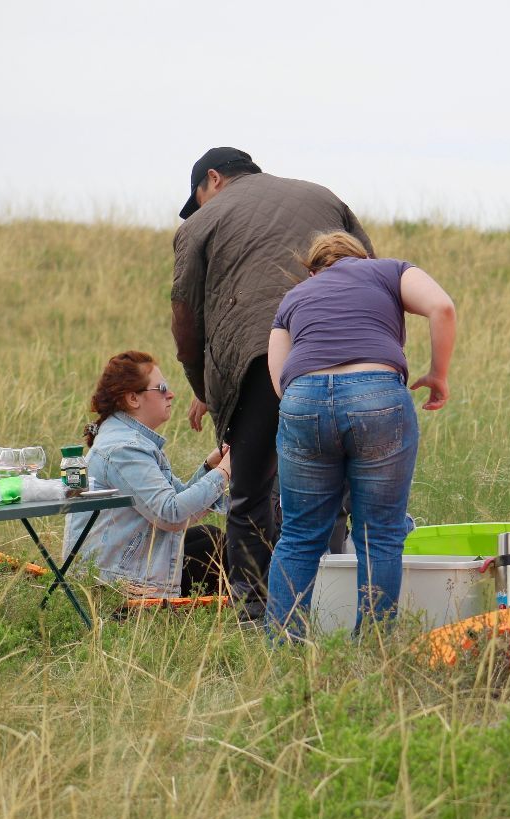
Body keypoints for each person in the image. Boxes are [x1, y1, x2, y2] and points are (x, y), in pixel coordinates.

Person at [171, 147, 373, 618]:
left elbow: (186, 317)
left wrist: (205, 388)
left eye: (197, 196)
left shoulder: (200, 224)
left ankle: (253, 610)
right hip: (346, 361)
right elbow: (372, 273)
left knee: (249, 493)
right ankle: (329, 605)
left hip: (257, 361)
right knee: (334, 486)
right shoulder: (324, 198)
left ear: (213, 180)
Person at [264, 232, 456, 636]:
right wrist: (438, 375)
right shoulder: (389, 271)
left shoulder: (296, 296)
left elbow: (280, 380)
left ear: (314, 269)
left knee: (299, 534)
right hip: (378, 394)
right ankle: (373, 649)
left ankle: (283, 648)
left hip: (303, 398)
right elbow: (442, 307)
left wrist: (311, 409)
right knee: (380, 533)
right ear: (365, 257)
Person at [64, 351, 232, 597]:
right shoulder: (124, 449)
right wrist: (226, 470)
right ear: (133, 398)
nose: (171, 393)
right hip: (114, 583)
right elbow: (172, 515)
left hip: (114, 566)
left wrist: (209, 467)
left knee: (210, 538)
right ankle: (263, 608)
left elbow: (176, 501)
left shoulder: (128, 440)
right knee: (225, 552)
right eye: (161, 388)